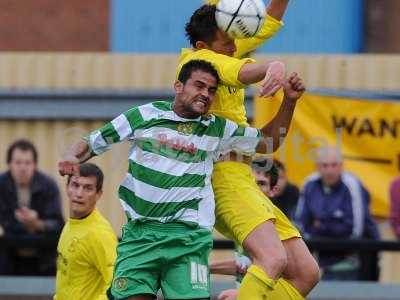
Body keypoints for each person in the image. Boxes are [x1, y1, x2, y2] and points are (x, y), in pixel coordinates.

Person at [59, 60, 306, 300]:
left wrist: (290, 103)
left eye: (211, 90)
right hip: (141, 234)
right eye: (199, 86)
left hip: (188, 239)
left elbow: (268, 140)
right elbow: (94, 141)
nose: (206, 94)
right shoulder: (145, 116)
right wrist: (71, 156)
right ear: (179, 86)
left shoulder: (216, 129)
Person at [178, 3, 320, 300]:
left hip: (243, 176)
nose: (234, 47)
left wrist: (289, 101)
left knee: (306, 273)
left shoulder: (224, 51)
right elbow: (239, 70)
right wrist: (272, 66)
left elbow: (267, 146)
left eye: (234, 40)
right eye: (227, 42)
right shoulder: (198, 63)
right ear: (204, 45)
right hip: (221, 179)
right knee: (273, 260)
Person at [296, 146, 380, 280]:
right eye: (324, 165)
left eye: (334, 165)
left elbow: (354, 230)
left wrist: (320, 225)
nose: (329, 170)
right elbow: (302, 225)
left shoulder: (352, 185)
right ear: (317, 167)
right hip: (318, 262)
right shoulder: (309, 184)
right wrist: (332, 224)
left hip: (354, 262)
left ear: (341, 166)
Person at [211, 157, 279, 300]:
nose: (254, 189)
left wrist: (241, 294)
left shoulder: (276, 227)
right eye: (250, 183)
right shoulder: (241, 220)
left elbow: (283, 275)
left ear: (273, 190)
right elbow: (245, 266)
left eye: (261, 184)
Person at [0, 139, 64, 275]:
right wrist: (18, 222)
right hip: (7, 257)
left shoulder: (48, 185)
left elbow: (59, 225)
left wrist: (37, 224)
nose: (22, 168)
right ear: (10, 164)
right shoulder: (1, 185)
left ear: (35, 165)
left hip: (43, 258)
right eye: (18, 162)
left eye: (27, 162)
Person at [54, 163, 117, 300]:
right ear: (67, 188)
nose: (79, 193)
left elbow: (117, 284)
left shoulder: (100, 233)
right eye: (75, 185)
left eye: (88, 188)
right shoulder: (70, 225)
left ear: (98, 194)